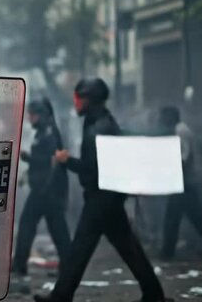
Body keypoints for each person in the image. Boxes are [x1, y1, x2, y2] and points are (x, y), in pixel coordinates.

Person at [34, 78, 170, 302]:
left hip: (101, 198)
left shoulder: (98, 128)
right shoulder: (99, 121)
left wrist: (67, 160)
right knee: (128, 248)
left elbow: (92, 169)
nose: (75, 103)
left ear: (90, 99)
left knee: (80, 249)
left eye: (79, 98)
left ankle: (61, 296)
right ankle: (154, 294)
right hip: (108, 197)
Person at [12, 99, 71, 277]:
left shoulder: (48, 133)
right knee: (50, 228)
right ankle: (21, 264)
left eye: (32, 114)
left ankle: (20, 265)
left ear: (41, 115)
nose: (29, 118)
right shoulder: (44, 132)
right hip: (44, 189)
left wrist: (29, 159)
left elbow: (52, 162)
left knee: (44, 227)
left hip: (47, 191)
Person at [158, 106, 202, 259]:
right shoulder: (180, 129)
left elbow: (183, 157)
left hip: (185, 183)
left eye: (163, 117)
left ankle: (167, 252)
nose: (161, 121)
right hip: (183, 183)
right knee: (190, 217)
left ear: (171, 117)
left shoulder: (180, 131)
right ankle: (167, 251)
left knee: (175, 218)